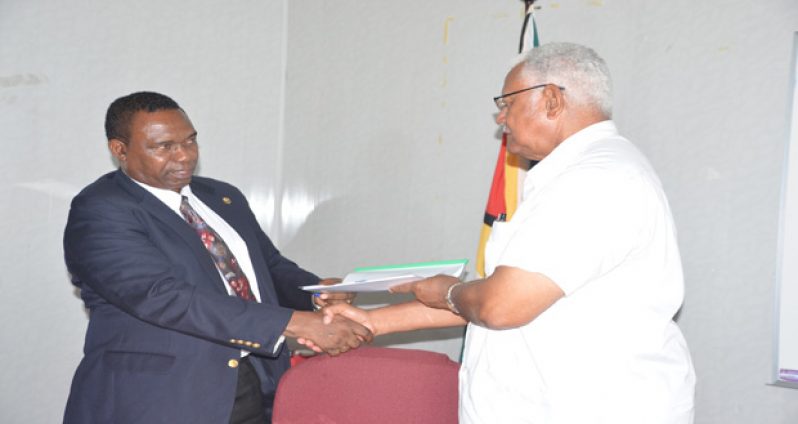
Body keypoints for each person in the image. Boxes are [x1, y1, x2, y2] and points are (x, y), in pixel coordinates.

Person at [323, 42, 696, 423]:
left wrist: (448, 291)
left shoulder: (595, 181)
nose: (501, 118)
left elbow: (499, 305)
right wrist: (374, 321)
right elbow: (498, 296)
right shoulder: (578, 175)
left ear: (551, 99)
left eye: (508, 103)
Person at [63, 91, 371, 424]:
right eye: (163, 147)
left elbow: (267, 267)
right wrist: (292, 323)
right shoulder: (101, 209)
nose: (184, 156)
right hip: (162, 394)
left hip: (256, 376)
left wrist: (316, 293)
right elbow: (162, 297)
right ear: (119, 149)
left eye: (190, 141)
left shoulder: (222, 196)